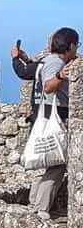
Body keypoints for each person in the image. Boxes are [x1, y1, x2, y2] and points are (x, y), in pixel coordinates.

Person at [29, 26, 78, 215]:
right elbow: (49, 86)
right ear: (71, 45)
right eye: (77, 44)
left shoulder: (49, 60)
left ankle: (34, 205)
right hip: (55, 116)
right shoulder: (56, 63)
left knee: (44, 162)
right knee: (56, 163)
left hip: (48, 115)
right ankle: (40, 209)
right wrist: (60, 75)